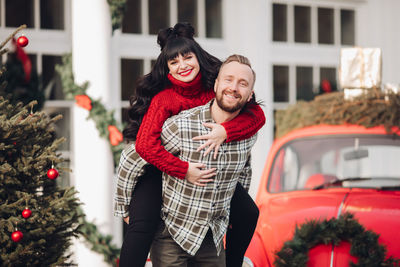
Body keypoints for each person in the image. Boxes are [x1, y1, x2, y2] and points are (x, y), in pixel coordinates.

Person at [114, 23, 265, 267]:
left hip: (208, 166)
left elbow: (257, 116)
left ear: (198, 57)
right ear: (167, 69)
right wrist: (183, 170)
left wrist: (225, 131)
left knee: (248, 213)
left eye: (187, 57)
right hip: (160, 165)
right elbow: (143, 146)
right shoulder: (165, 99)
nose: (183, 65)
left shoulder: (217, 88)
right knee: (142, 223)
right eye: (174, 62)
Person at [149, 54, 258, 266]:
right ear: (216, 84)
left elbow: (244, 171)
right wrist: (125, 208)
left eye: (242, 83)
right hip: (172, 232)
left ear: (250, 94)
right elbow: (133, 158)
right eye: (228, 79)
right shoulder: (181, 125)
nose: (234, 87)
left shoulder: (250, 133)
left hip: (211, 237)